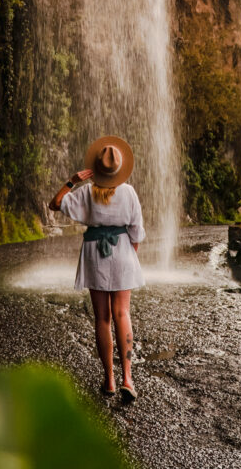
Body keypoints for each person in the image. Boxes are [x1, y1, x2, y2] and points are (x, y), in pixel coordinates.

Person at [49, 135, 145, 403]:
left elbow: (54, 204)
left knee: (102, 318)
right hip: (124, 250)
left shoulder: (85, 192)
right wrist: (128, 255)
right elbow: (137, 232)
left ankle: (110, 381)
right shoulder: (128, 192)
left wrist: (72, 180)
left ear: (96, 168)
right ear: (119, 169)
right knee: (122, 312)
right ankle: (128, 378)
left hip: (94, 254)